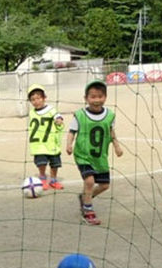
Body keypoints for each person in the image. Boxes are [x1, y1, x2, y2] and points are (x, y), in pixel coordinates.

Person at [66, 80, 123, 225]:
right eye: (93, 97)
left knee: (104, 185)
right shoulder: (80, 115)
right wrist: (69, 144)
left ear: (105, 97)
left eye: (100, 96)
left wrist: (117, 146)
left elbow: (111, 132)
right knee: (90, 181)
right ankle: (88, 210)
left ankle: (85, 197)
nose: (96, 100)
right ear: (86, 98)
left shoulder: (110, 115)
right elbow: (72, 131)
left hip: (100, 157)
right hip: (83, 155)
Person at [27, 84, 64, 190]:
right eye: (33, 99)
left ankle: (53, 180)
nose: (36, 101)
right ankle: (42, 178)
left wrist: (59, 119)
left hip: (51, 143)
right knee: (41, 163)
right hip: (38, 144)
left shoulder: (51, 109)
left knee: (55, 163)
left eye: (38, 98)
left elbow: (57, 115)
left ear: (44, 98)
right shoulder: (32, 113)